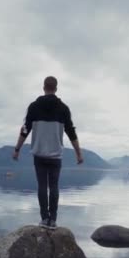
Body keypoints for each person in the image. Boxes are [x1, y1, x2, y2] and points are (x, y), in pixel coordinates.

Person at [12, 76, 83, 228]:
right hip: (56, 156)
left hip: (39, 155)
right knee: (54, 186)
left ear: (44, 87)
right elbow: (71, 133)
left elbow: (25, 130)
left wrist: (17, 149)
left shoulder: (33, 107)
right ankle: (53, 220)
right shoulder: (64, 108)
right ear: (56, 89)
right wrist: (78, 153)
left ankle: (44, 219)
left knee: (42, 186)